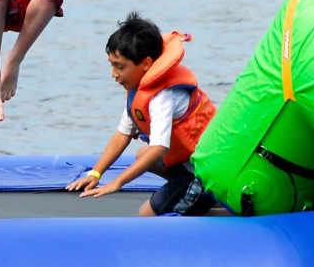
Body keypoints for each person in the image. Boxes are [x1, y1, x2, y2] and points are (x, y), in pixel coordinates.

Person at [66, 12, 218, 216]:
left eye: (119, 67)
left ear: (146, 64)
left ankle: (202, 192)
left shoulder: (161, 96)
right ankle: (193, 194)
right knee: (141, 154)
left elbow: (158, 149)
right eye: (112, 65)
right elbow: (123, 134)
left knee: (146, 215)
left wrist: (117, 182)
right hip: (188, 160)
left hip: (205, 170)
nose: (114, 74)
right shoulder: (140, 88)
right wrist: (96, 173)